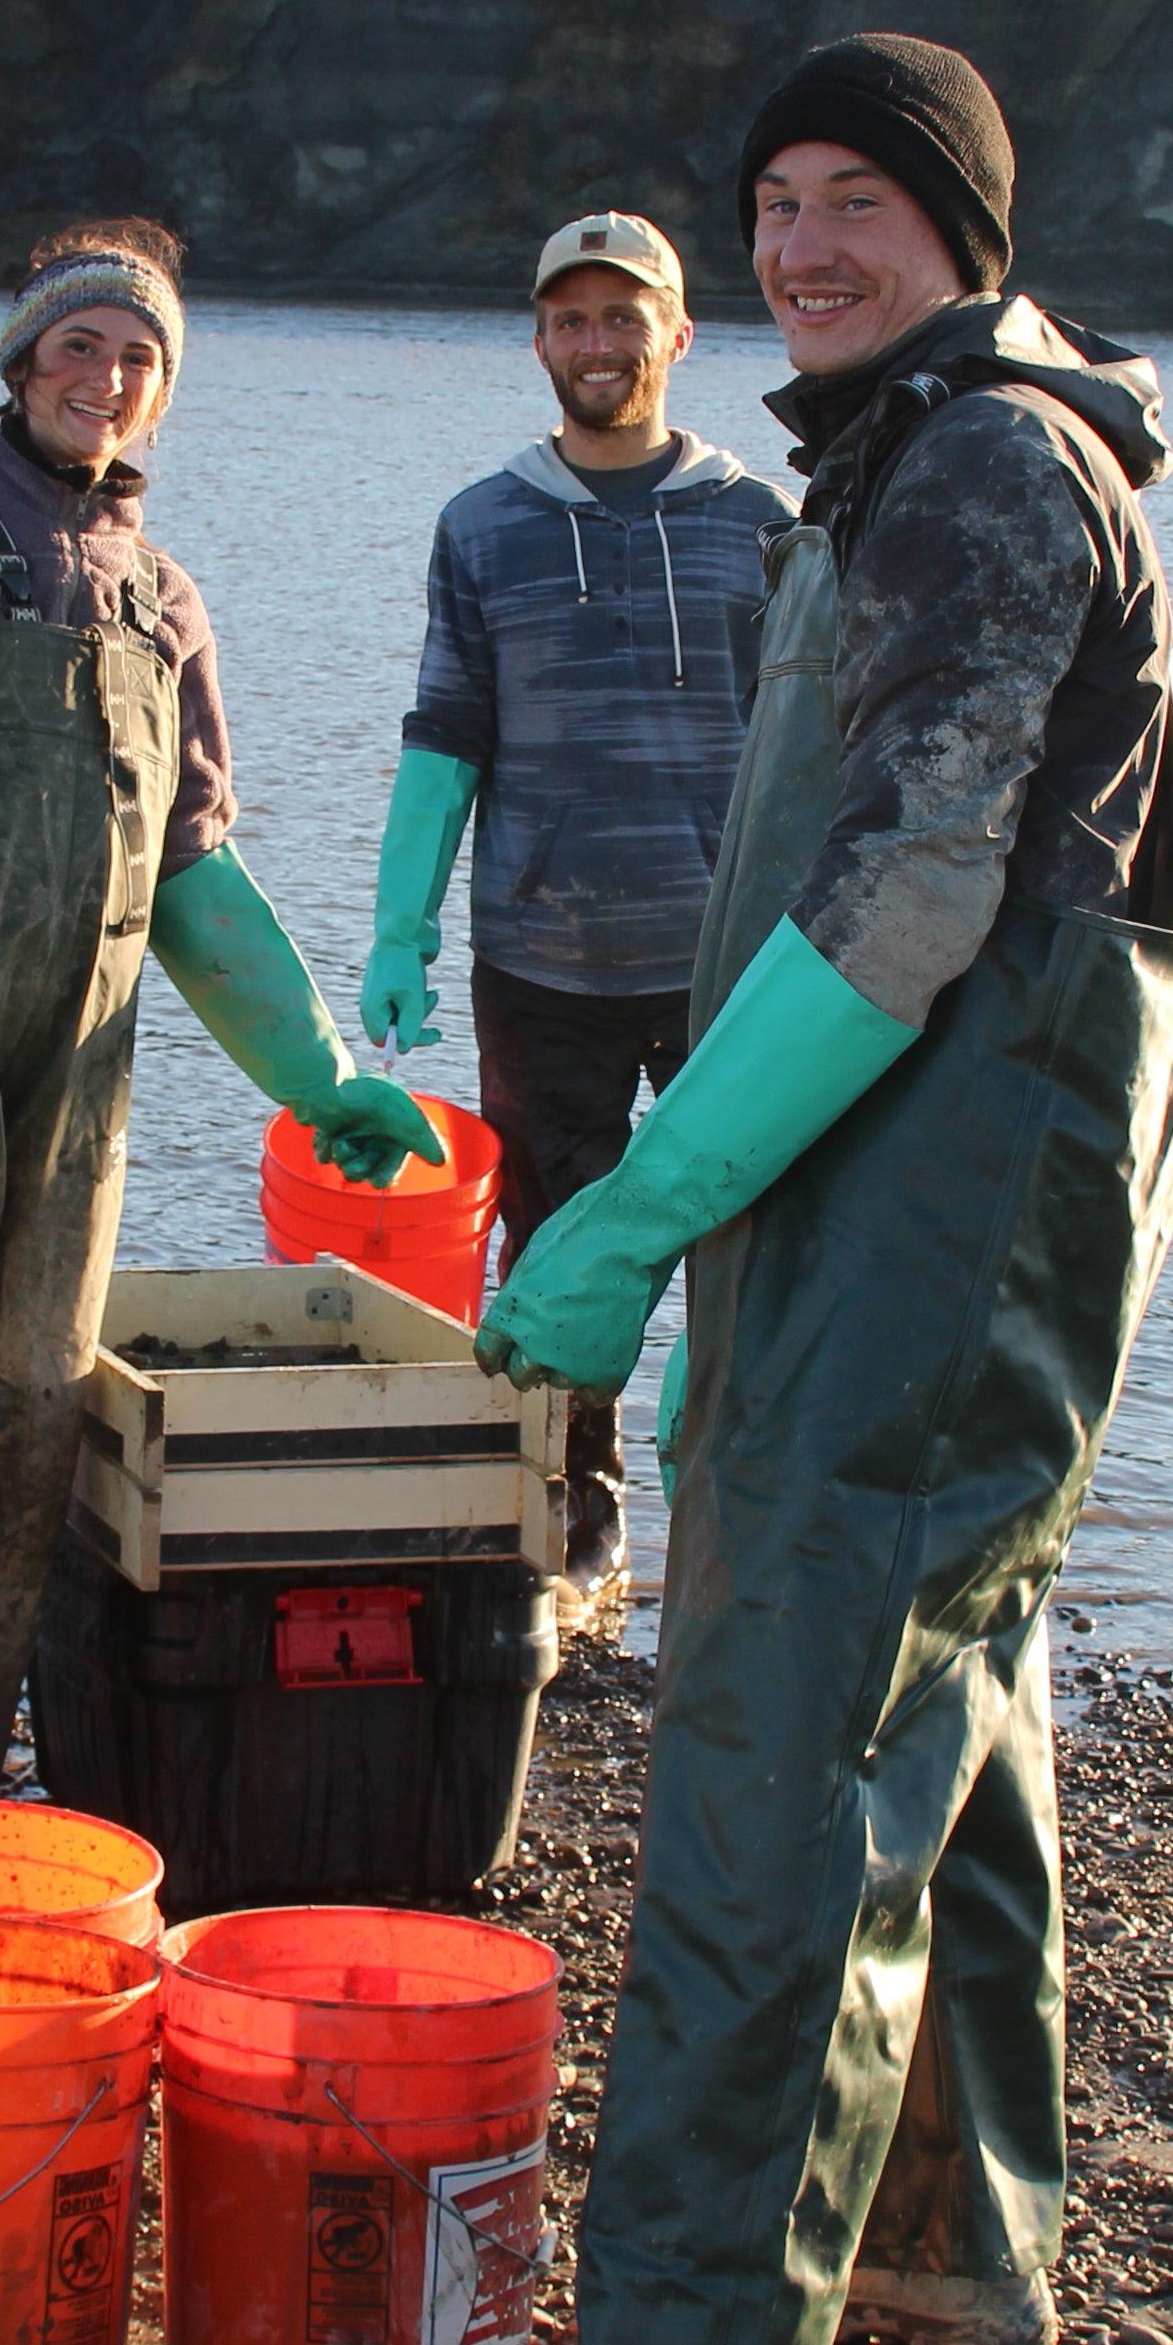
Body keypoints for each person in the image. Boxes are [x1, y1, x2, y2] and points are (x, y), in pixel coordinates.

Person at [368, 35, 1173, 2345]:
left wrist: (624, 1216)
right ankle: (948, 2248)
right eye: (773, 201)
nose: (803, 246)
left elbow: (915, 900)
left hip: (941, 1194)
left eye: (859, 199)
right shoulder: (903, 455)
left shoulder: (978, 469)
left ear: (963, 226)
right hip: (904, 1190)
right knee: (941, 1690)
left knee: (779, 1748)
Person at [0, 220, 440, 1833]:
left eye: (139, 359)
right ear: (20, 364)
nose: (108, 376)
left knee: (25, 1430)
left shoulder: (166, 605)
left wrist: (320, 1075)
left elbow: (196, 879)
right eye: (80, 346)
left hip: (77, 1091)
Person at [360, 212, 794, 1600]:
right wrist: (398, 929)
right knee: (553, 1245)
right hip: (542, 958)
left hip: (727, 960)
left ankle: (738, 1500)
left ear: (678, 335)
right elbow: (446, 733)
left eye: (625, 318)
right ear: (541, 338)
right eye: (572, 320)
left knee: (760, 1232)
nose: (597, 345)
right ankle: (579, 1504)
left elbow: (811, 744)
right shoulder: (483, 524)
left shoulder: (759, 520)